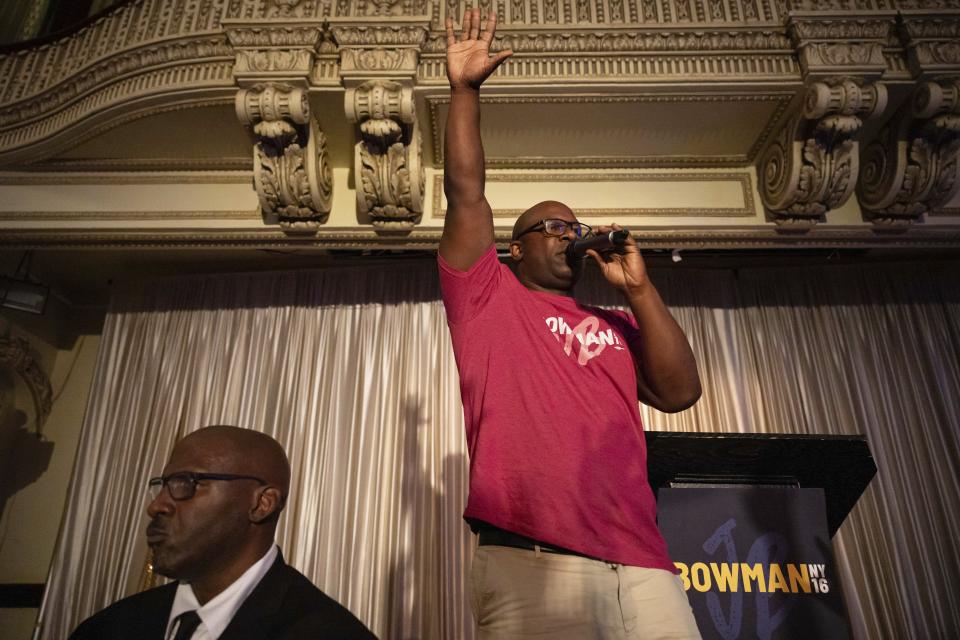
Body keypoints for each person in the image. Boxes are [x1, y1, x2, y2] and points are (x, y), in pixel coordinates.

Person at [440, 8, 703, 639]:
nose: (570, 237)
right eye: (553, 228)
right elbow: (466, 192)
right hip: (535, 563)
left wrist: (639, 289)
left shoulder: (610, 322)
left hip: (644, 563)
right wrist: (464, 91)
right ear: (515, 249)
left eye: (575, 229)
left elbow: (680, 392)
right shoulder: (487, 296)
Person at [69, 425, 376, 640]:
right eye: (161, 486)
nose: (157, 506)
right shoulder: (109, 627)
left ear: (262, 503)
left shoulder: (328, 633)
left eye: (188, 483)